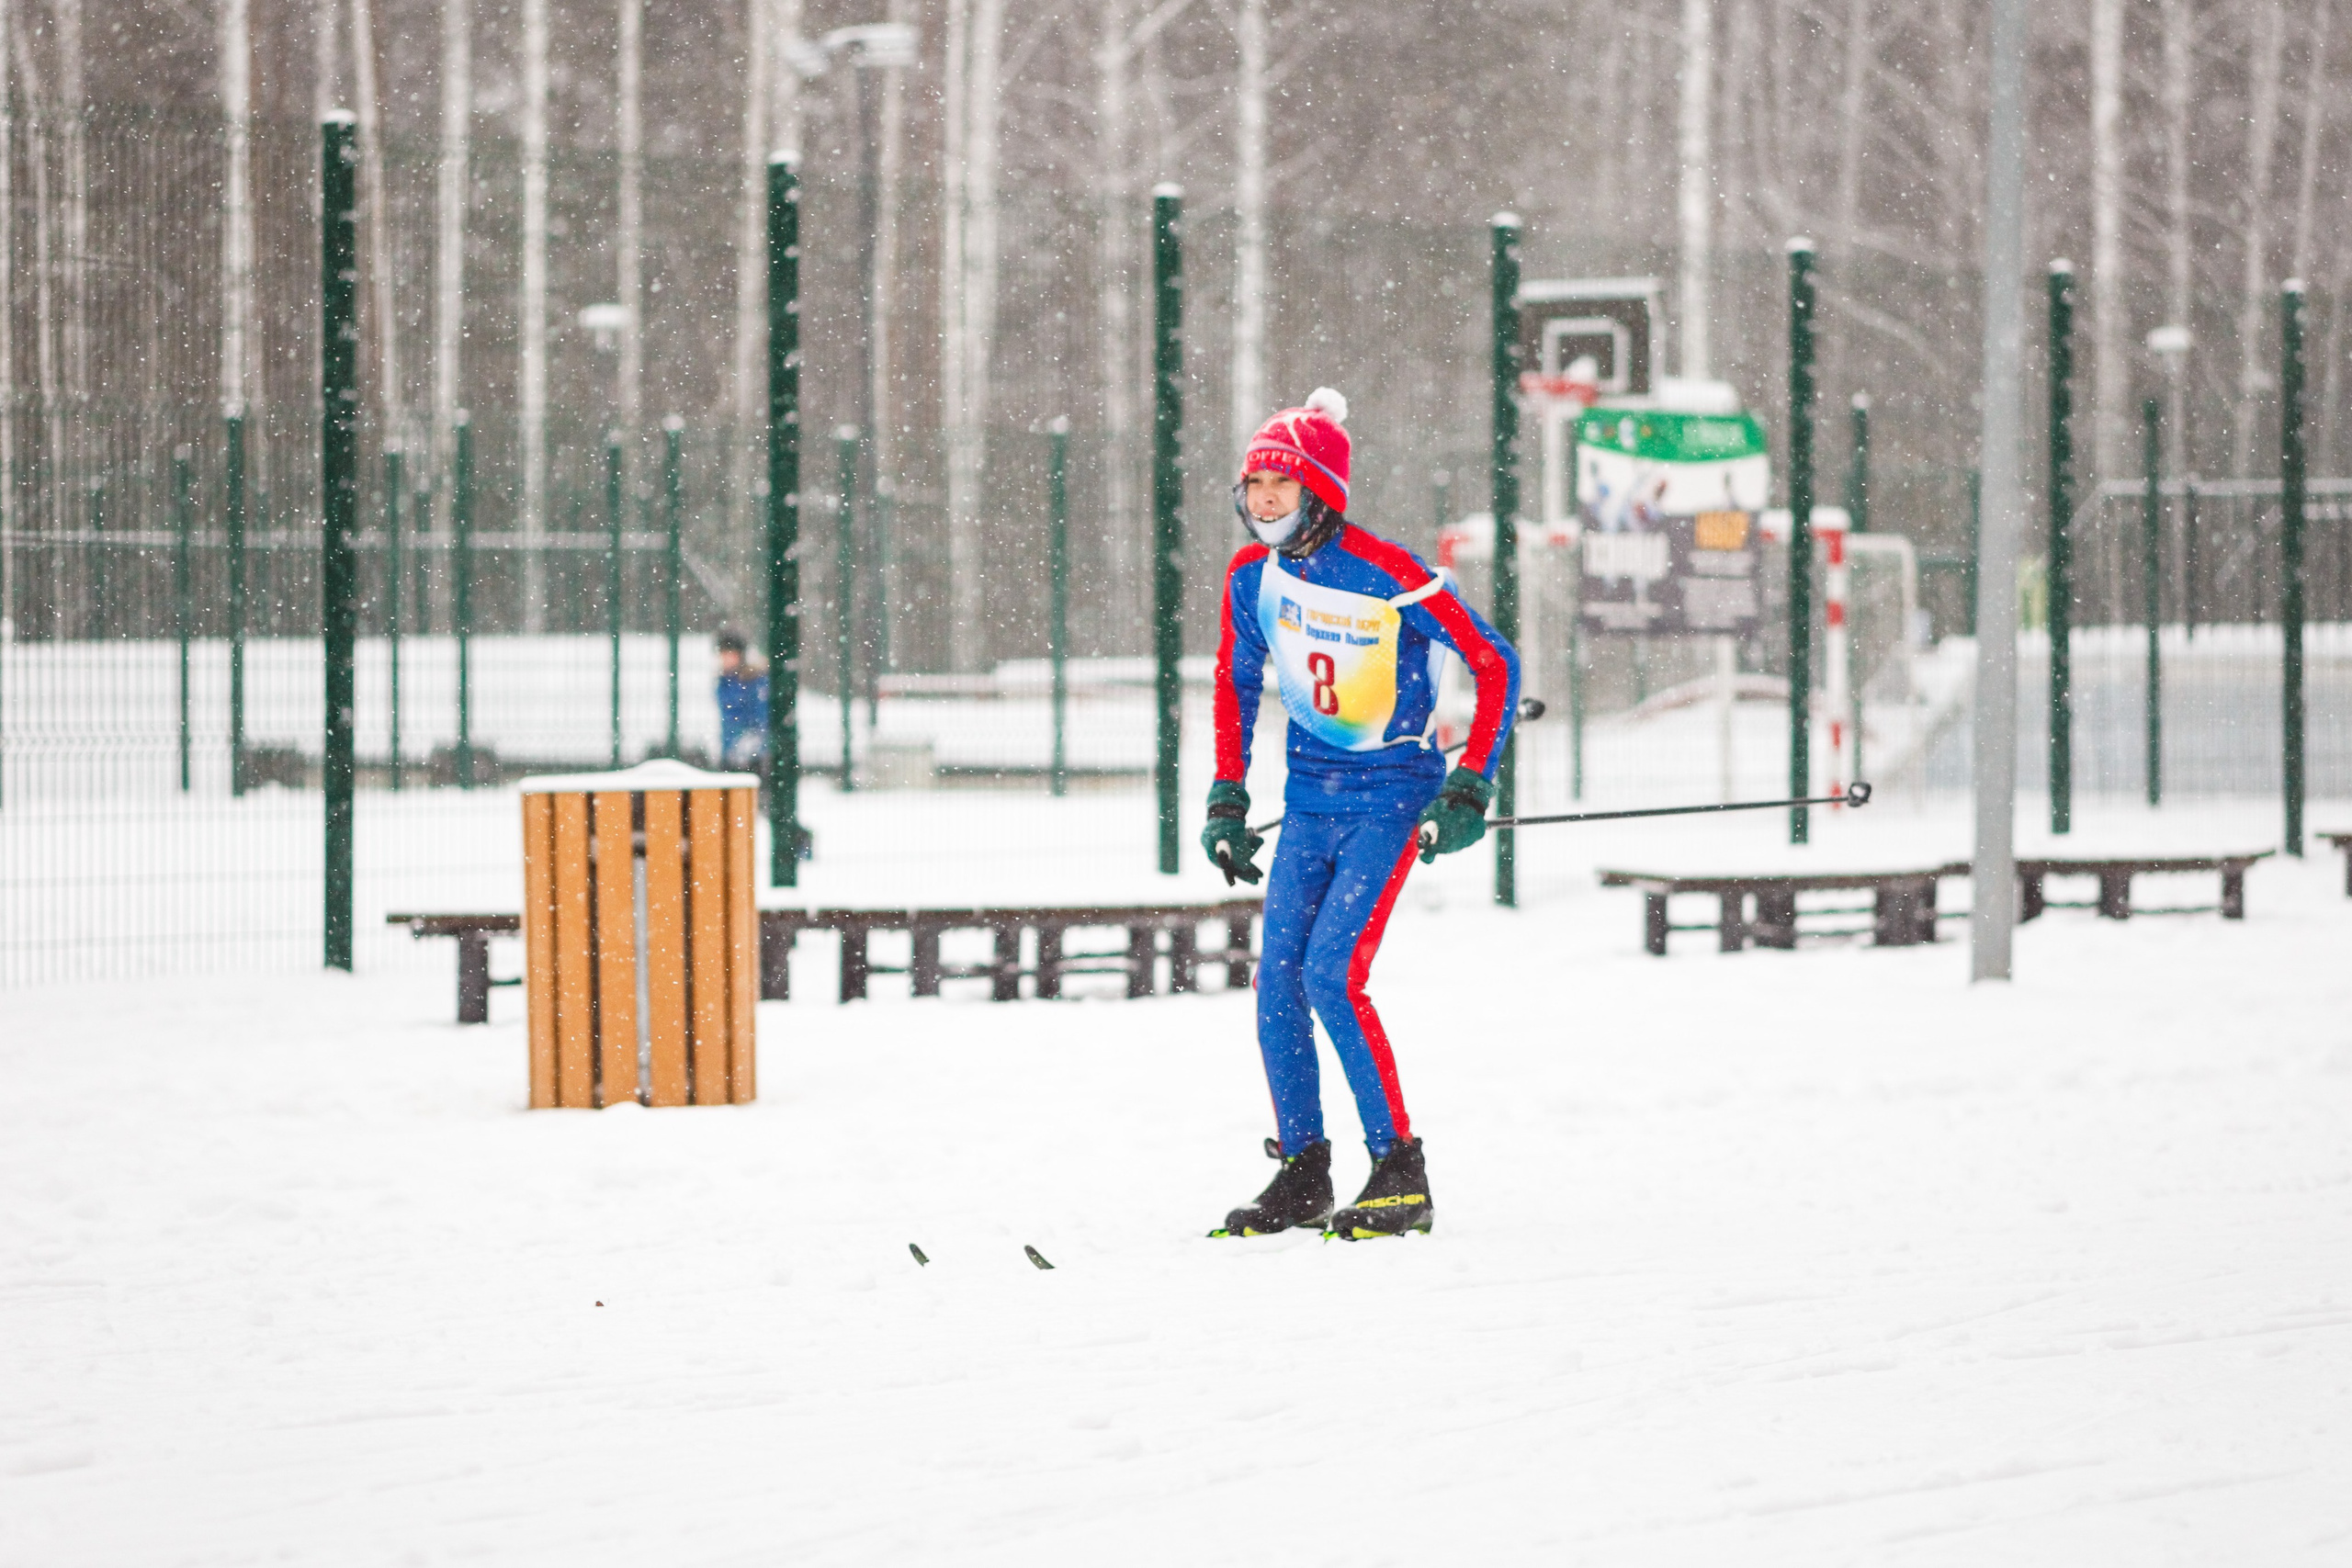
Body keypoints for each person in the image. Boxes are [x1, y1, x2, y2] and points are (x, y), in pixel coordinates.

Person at [1204, 388, 1521, 1242]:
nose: (1265, 498)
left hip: (1388, 801)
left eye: (1282, 482)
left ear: (1320, 491)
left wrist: (1470, 785)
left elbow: (1495, 662)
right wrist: (1227, 795)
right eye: (1254, 483)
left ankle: (1399, 1170)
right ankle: (1303, 1169)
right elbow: (1235, 684)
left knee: (1330, 975)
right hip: (1308, 801)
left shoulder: (1389, 571)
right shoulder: (1251, 576)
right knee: (1276, 981)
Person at [713, 629, 769, 771]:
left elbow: (760, 717)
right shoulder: (723, 681)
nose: (726, 658)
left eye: (730, 654)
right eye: (723, 654)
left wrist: (750, 745)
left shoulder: (752, 681)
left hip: (750, 755)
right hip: (729, 751)